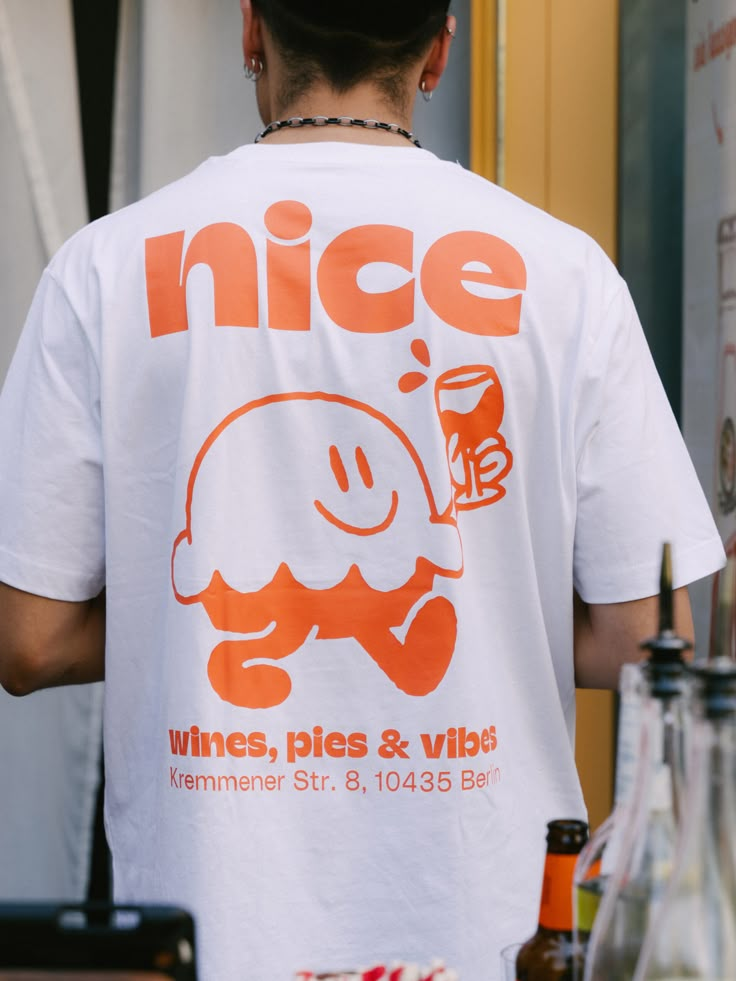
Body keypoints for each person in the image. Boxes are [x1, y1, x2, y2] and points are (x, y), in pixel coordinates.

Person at [0, 1, 725, 978]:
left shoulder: (104, 269)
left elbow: (28, 637)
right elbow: (643, 636)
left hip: (216, 933)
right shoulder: (564, 278)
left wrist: (223, 612)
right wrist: (467, 604)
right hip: (488, 932)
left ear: (252, 33)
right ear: (437, 51)